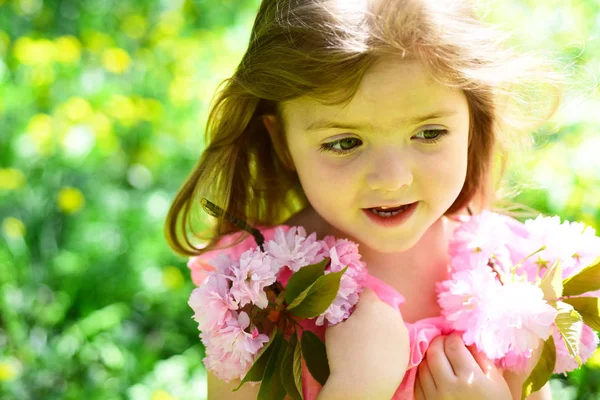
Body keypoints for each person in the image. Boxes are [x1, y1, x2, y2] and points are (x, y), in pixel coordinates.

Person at [165, 0, 562, 398]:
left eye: (428, 133)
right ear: (282, 141)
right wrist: (356, 387)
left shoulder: (505, 275)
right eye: (344, 142)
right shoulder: (258, 295)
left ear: (474, 122)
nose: (392, 180)